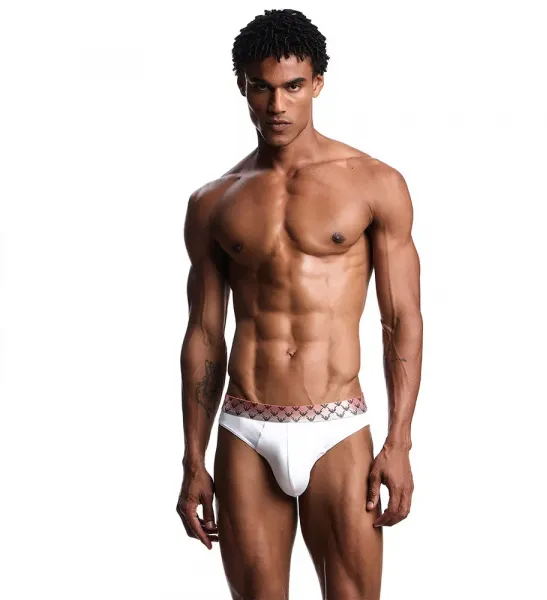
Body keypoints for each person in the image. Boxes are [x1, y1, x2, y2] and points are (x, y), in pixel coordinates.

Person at [176, 8, 423, 600]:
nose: (277, 105)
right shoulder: (213, 201)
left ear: (318, 83)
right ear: (242, 87)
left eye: (292, 87)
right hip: (245, 427)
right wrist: (192, 458)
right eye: (261, 87)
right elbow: (204, 334)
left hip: (336, 424)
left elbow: (400, 320)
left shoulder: (373, 183)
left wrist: (400, 441)